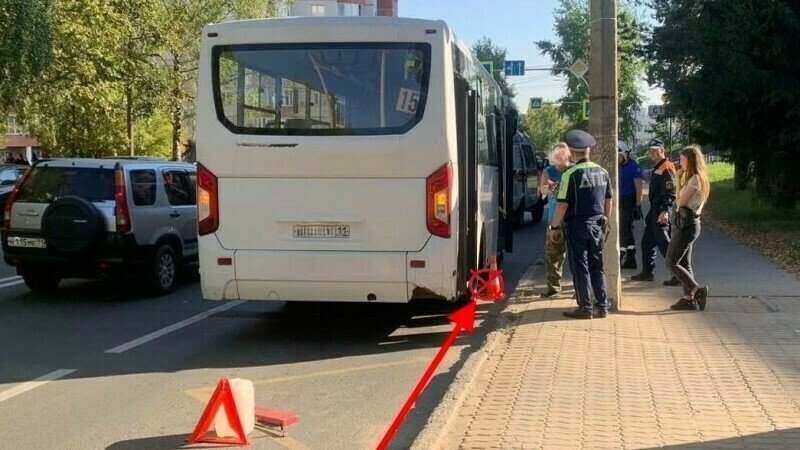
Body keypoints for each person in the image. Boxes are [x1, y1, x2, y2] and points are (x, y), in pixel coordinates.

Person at [548, 130, 613, 319]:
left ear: (572, 153)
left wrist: (554, 227)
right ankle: (602, 306)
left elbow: (562, 204)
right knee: (597, 265)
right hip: (598, 224)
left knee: (580, 266)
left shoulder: (571, 174)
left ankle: (585, 307)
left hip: (577, 225)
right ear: (588, 151)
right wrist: (605, 219)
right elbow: (609, 199)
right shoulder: (603, 172)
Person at [666, 145, 710, 311]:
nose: (680, 162)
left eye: (682, 159)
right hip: (687, 224)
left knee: (671, 262)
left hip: (688, 225)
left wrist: (677, 180)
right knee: (685, 262)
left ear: (690, 161)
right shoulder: (694, 178)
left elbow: (680, 202)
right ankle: (688, 298)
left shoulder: (695, 180)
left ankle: (697, 290)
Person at [632, 139, 681, 284]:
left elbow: (671, 191)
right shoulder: (658, 166)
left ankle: (678, 274)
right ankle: (647, 272)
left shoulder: (667, 167)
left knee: (665, 244)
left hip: (661, 210)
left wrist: (665, 210)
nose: (652, 153)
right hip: (654, 210)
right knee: (647, 243)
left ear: (662, 150)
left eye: (655, 150)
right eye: (651, 150)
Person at [539, 142, 572, 298]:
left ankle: (579, 289)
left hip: (572, 219)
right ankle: (553, 288)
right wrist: (548, 187)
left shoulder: (573, 169)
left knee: (576, 255)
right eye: (557, 158)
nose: (560, 161)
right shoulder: (548, 171)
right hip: (555, 219)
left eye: (563, 158)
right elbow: (542, 189)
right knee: (553, 255)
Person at [618, 148, 644, 269]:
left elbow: (639, 186)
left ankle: (626, 256)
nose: (617, 158)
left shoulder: (633, 166)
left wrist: (638, 205)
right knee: (624, 229)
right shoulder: (617, 166)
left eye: (619, 156)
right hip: (618, 200)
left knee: (625, 228)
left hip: (628, 200)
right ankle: (630, 258)